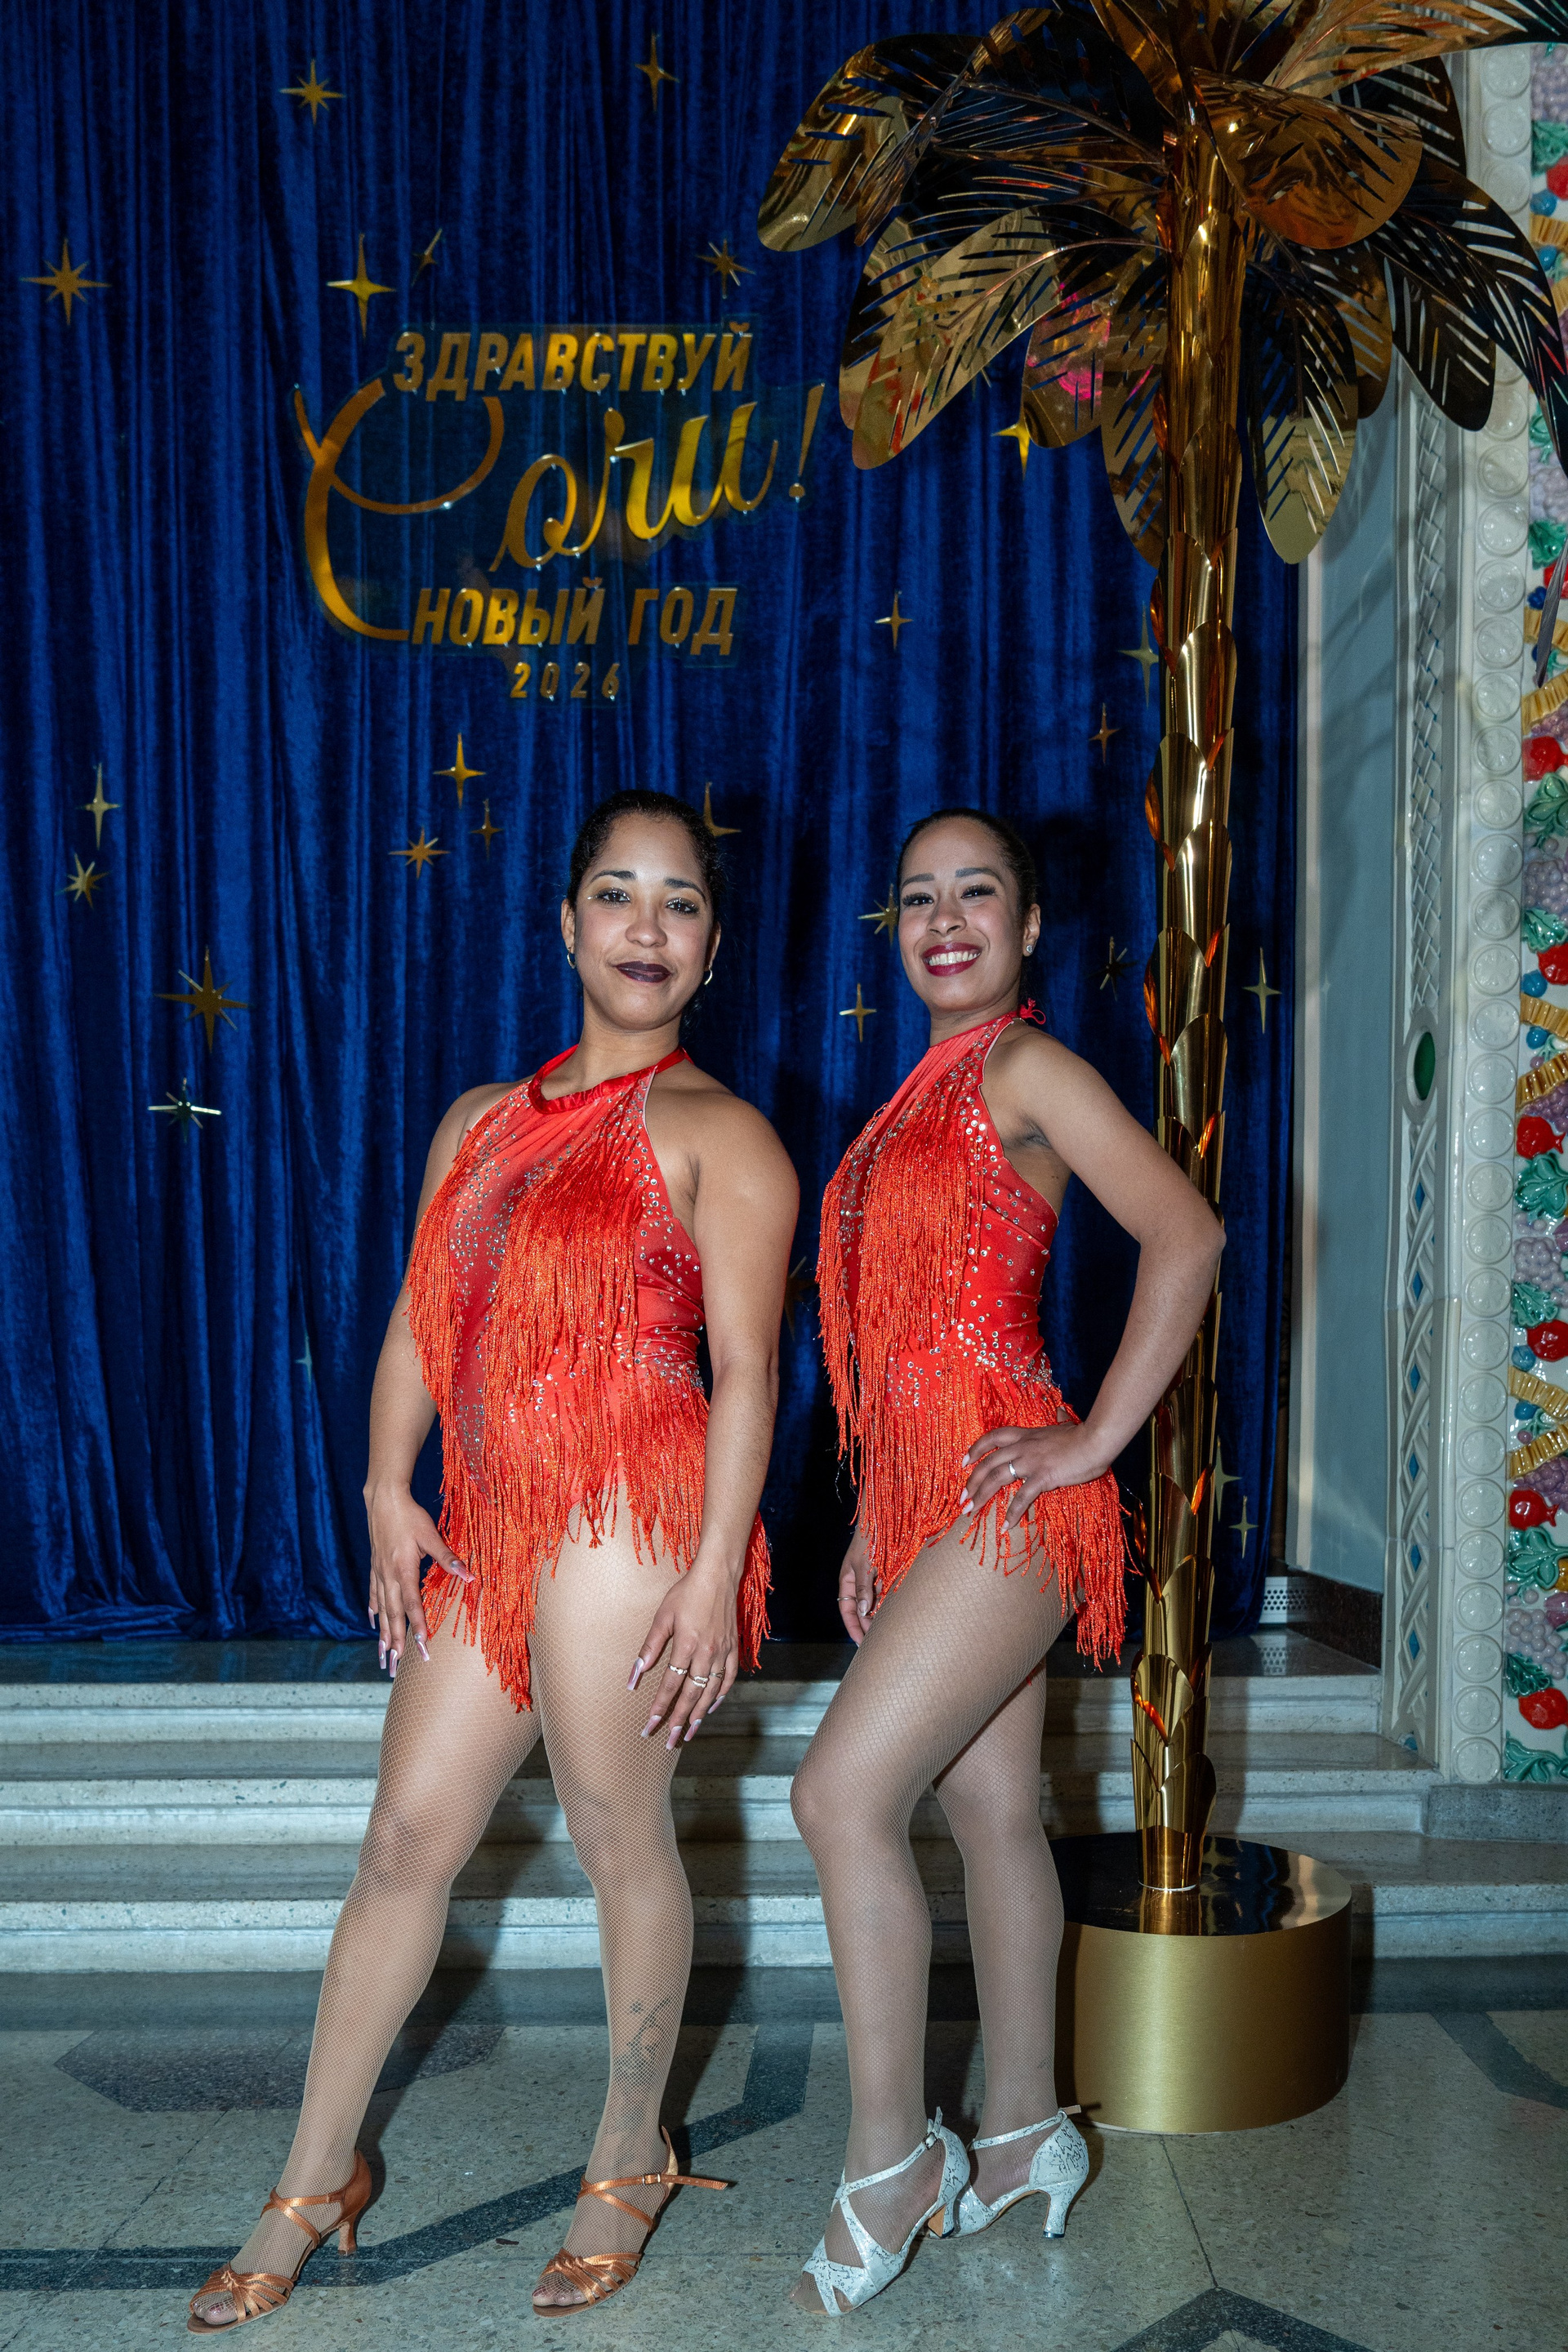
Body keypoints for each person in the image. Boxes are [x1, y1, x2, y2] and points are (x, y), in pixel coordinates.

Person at [187, 789, 798, 2330]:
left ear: (714, 944)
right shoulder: (476, 1120)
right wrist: (384, 1483)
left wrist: (715, 1569)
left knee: (615, 1833)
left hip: (631, 1507)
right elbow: (421, 1316)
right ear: (566, 922)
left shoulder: (725, 1135)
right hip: (488, 1510)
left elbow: (748, 1373)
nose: (647, 927)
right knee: (405, 1840)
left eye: (680, 901)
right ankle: (314, 2174)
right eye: (618, 894)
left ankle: (629, 2150)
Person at [789, 807, 1223, 2314]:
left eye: (977, 893)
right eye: (918, 897)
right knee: (990, 1816)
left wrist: (1095, 1440)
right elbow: (901, 1334)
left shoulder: (1026, 1066)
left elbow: (1186, 1234)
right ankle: (1030, 2126)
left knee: (839, 1795)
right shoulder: (908, 1096)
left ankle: (893, 2160)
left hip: (1011, 1496)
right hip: (926, 1500)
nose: (945, 919)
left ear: (1030, 926)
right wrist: (871, 1515)